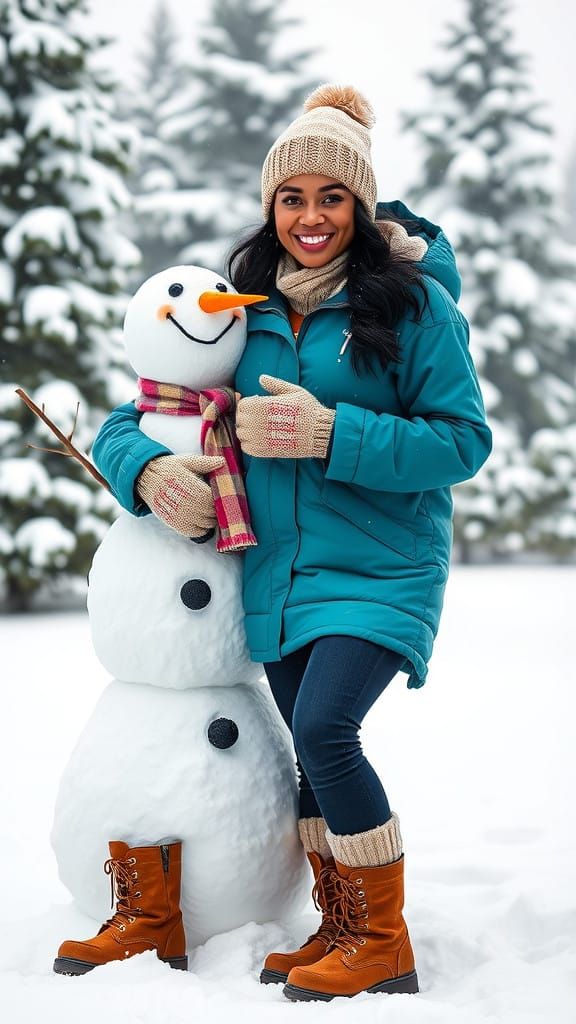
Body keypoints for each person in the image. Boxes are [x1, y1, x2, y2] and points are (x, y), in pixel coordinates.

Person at [91, 84, 492, 1002]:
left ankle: (383, 942)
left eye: (333, 197)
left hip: (383, 568)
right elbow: (142, 407)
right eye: (293, 197)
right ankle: (342, 924)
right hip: (277, 576)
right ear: (271, 206)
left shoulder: (416, 307)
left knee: (325, 731)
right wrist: (146, 473)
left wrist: (330, 434)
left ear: (362, 206)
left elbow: (462, 441)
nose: (312, 217)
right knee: (314, 754)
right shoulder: (247, 311)